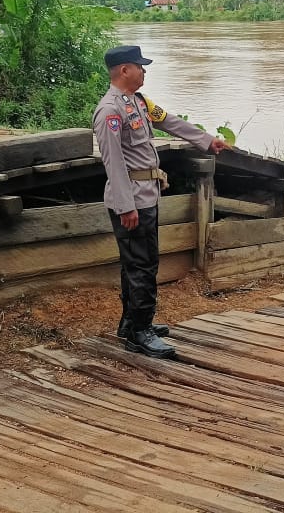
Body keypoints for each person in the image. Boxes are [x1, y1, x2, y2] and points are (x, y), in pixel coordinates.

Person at [92, 44, 228, 359]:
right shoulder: (110, 111)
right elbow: (113, 163)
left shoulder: (138, 103)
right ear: (124, 70)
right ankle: (140, 333)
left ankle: (132, 324)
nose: (144, 71)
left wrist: (207, 141)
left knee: (138, 264)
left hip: (146, 196)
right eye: (140, 66)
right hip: (132, 202)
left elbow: (171, 122)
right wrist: (126, 206)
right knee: (142, 265)